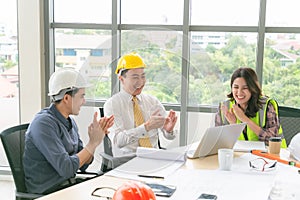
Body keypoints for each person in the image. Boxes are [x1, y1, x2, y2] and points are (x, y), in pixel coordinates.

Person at [23, 68, 114, 194]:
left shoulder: (70, 122)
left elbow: (83, 164)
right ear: (66, 98)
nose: (84, 101)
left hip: (68, 185)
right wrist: (92, 143)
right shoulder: (43, 124)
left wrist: (97, 137)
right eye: (82, 96)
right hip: (49, 192)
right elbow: (67, 168)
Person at [104, 52, 178, 153]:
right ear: (122, 79)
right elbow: (117, 141)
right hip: (127, 161)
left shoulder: (152, 101)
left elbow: (169, 136)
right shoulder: (112, 104)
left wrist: (168, 130)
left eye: (143, 76)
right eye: (135, 77)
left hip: (154, 157)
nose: (140, 82)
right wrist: (146, 127)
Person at [215, 67, 286, 147]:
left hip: (273, 155)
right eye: (236, 87)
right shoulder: (225, 107)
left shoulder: (267, 105)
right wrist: (233, 125)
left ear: (253, 88)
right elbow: (218, 141)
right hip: (241, 155)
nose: (239, 92)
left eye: (245, 88)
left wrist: (244, 119)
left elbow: (272, 140)